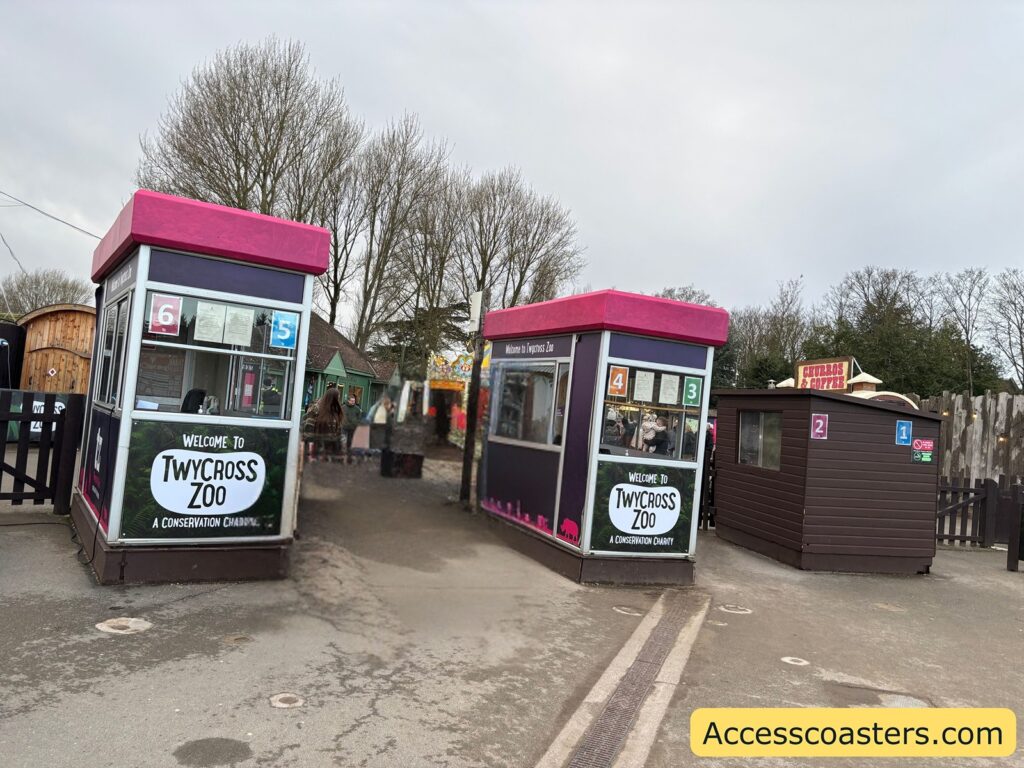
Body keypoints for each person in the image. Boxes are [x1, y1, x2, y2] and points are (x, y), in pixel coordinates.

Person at [303, 387, 342, 461]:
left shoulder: (336, 411)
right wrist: (311, 452)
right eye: (337, 397)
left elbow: (338, 432)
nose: (338, 400)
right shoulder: (316, 410)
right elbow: (308, 432)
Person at [341, 393, 363, 464]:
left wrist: (356, 423)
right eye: (352, 401)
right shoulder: (343, 407)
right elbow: (339, 415)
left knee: (350, 443)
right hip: (344, 427)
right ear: (348, 400)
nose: (353, 402)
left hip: (352, 428)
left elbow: (359, 418)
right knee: (343, 441)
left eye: (354, 401)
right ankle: (343, 457)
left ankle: (349, 457)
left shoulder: (357, 409)